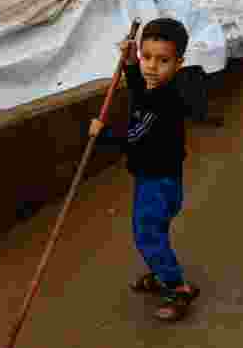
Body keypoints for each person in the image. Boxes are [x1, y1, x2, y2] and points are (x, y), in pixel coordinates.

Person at [89, 17, 207, 321]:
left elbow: (134, 141)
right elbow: (141, 91)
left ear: (178, 63)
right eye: (147, 57)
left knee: (147, 235)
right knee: (156, 233)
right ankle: (161, 270)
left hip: (159, 184)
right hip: (156, 178)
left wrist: (102, 135)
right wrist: (130, 64)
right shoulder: (155, 89)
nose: (152, 67)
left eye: (163, 60)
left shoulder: (165, 103)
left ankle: (177, 287)